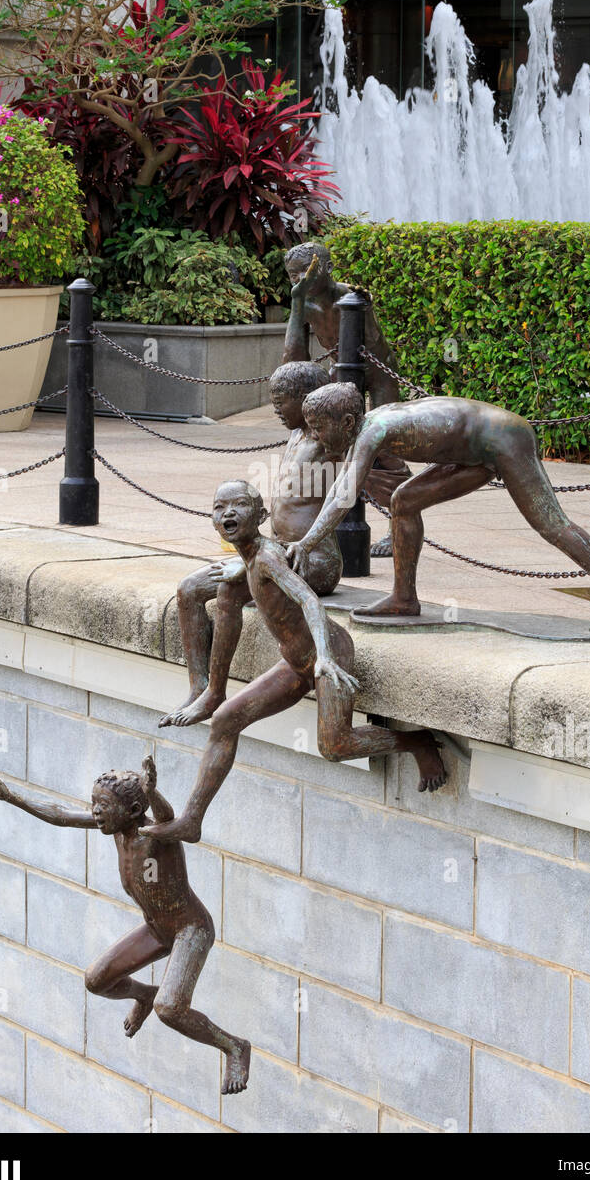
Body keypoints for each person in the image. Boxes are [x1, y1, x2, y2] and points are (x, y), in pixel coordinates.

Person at [146, 480, 447, 849]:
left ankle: (417, 742)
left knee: (335, 746)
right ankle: (192, 820)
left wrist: (323, 655)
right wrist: (237, 573)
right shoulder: (250, 559)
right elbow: (250, 577)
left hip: (330, 655)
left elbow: (309, 601)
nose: (227, 514)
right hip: (296, 663)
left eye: (238, 505)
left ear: (260, 515)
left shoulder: (268, 557)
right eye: (218, 507)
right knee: (225, 720)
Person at [0, 756, 251, 1095]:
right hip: (156, 929)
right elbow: (62, 816)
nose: (95, 812)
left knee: (170, 1008)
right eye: (94, 804)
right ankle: (144, 995)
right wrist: (11, 796)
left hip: (189, 930)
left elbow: (168, 817)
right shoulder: (118, 830)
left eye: (103, 806)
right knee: (97, 980)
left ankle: (234, 1046)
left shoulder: (157, 835)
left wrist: (154, 792)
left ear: (134, 809)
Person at [287, 384, 590, 634]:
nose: (315, 437)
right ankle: (404, 597)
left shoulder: (372, 431)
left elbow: (342, 495)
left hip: (504, 438)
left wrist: (306, 542)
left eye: (318, 428)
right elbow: (340, 486)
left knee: (550, 523)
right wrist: (309, 540)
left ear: (347, 422)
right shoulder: (364, 427)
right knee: (404, 502)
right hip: (469, 452)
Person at [161, 361, 344, 728]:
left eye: (281, 400)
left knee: (228, 592)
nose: (274, 407)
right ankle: (199, 687)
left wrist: (288, 551)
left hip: (312, 562)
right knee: (188, 589)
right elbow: (296, 355)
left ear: (307, 401)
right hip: (277, 551)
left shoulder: (328, 439)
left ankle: (216, 692)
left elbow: (346, 490)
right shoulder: (295, 433)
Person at [283, 242, 410, 555]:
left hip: (377, 376)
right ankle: (332, 524)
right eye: (292, 275)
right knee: (333, 448)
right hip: (341, 372)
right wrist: (297, 304)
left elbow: (373, 346)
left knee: (383, 448)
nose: (299, 278)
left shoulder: (351, 297)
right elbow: (294, 363)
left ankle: (402, 528)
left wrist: (362, 308)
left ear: (325, 269)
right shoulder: (305, 303)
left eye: (306, 271)